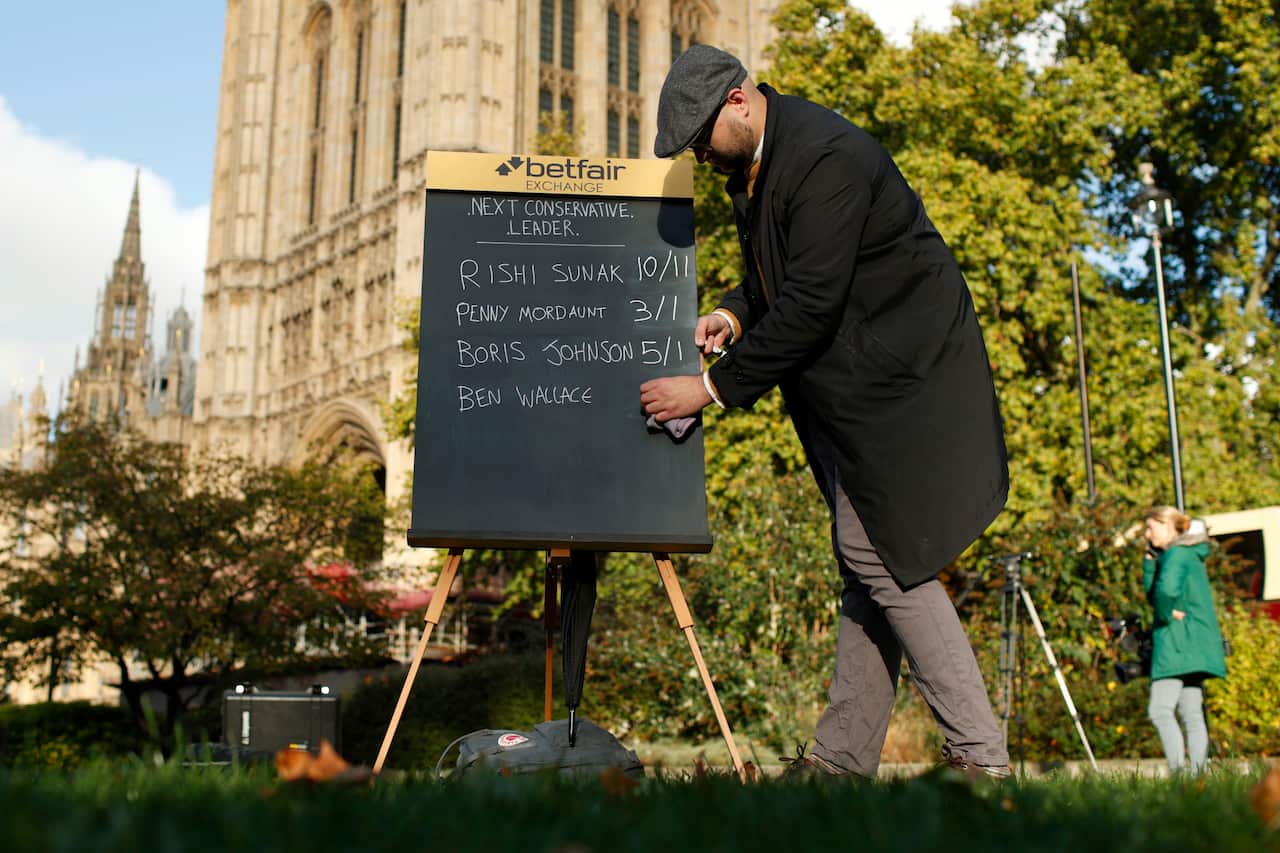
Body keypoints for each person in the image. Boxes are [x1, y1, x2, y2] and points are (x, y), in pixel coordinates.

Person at [641, 44, 1010, 779]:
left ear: (738, 102)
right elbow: (779, 279)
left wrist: (708, 390)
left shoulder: (826, 158)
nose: (701, 159)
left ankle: (980, 756)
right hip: (852, 392)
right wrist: (734, 314)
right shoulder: (752, 167)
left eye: (699, 140)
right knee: (864, 560)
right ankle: (840, 761)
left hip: (908, 383)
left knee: (880, 552)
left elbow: (812, 305)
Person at [1141, 506, 1227, 774]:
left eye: (1150, 528)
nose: (1146, 534)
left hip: (1178, 640)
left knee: (1160, 710)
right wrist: (1149, 563)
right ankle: (1197, 776)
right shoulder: (1188, 554)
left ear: (1167, 526)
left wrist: (1165, 615)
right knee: (1191, 713)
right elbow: (1157, 592)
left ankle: (1180, 775)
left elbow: (1163, 593)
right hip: (1196, 642)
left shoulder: (1176, 554)